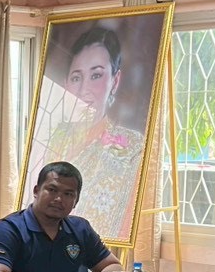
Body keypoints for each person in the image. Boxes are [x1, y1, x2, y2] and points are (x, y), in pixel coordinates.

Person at [39, 27, 147, 238]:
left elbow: (126, 228)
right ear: (66, 84)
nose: (83, 90)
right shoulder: (50, 140)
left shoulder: (132, 148)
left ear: (115, 81)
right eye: (76, 78)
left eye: (96, 75)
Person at [0, 162, 123, 272]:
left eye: (68, 194)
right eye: (52, 190)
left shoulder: (80, 228)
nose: (59, 199)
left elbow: (112, 264)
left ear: (76, 201)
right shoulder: (9, 228)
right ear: (36, 191)